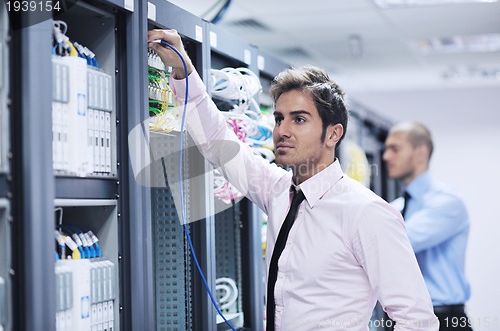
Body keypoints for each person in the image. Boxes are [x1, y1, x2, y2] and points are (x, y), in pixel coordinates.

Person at [148, 29, 438, 331]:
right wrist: (183, 70)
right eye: (278, 118)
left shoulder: (367, 212)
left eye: (298, 119)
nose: (282, 131)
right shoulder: (278, 191)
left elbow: (416, 321)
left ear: (333, 133)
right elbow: (219, 145)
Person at [383, 122, 472, 331]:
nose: (386, 156)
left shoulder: (447, 202)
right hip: (402, 319)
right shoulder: (396, 207)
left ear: (421, 153)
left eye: (395, 149)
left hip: (445, 321)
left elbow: (397, 243)